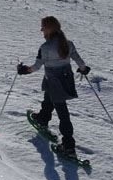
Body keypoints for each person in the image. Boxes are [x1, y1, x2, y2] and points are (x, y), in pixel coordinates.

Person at [17, 16, 90, 158]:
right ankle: (43, 118)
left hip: (54, 81)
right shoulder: (68, 43)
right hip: (66, 79)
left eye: (43, 27)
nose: (41, 29)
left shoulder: (45, 48)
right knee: (49, 97)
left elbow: (37, 66)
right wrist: (83, 68)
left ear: (49, 29)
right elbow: (77, 59)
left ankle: (69, 147)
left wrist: (24, 70)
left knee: (63, 113)